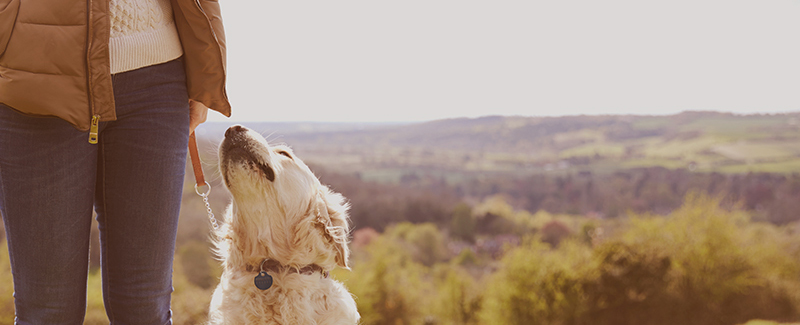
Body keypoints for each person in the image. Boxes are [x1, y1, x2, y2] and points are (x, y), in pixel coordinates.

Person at [0, 0, 230, 323]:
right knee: (47, 312)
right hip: (37, 69)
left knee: (144, 310)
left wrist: (203, 68)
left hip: (158, 73)